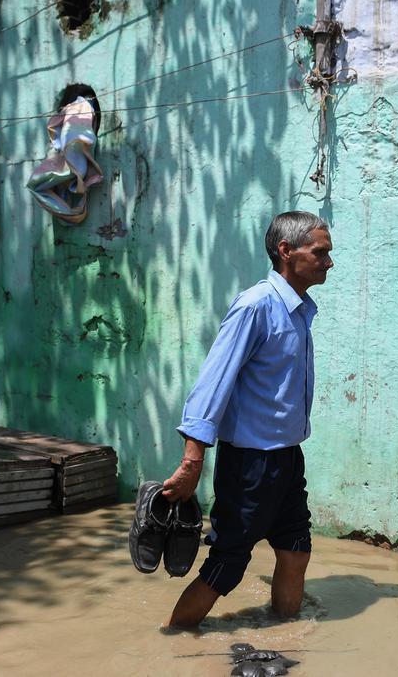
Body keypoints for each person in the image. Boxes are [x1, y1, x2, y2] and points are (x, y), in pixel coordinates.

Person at [160, 211, 334, 629]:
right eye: (321, 253)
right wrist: (191, 462)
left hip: (288, 459)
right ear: (286, 251)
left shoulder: (298, 310)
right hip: (251, 467)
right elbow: (212, 383)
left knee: (296, 551)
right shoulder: (256, 306)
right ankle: (175, 641)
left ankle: (286, 643)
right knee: (228, 567)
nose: (329, 262)